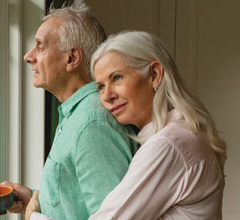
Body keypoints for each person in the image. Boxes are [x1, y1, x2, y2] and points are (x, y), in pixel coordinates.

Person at [27, 31, 227, 220]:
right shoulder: (182, 133)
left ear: (155, 75)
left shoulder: (169, 144)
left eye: (117, 78)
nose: (107, 95)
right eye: (101, 86)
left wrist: (34, 217)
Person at [0, 5, 139, 220]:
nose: (28, 56)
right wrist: (35, 200)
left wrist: (34, 217)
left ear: (72, 59)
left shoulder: (91, 122)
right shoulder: (76, 115)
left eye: (40, 47)